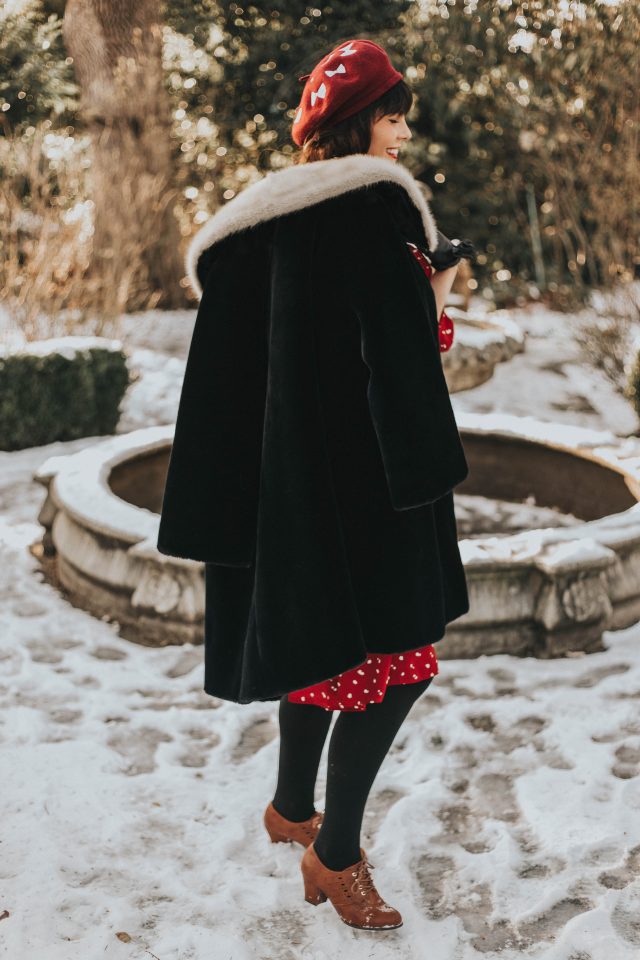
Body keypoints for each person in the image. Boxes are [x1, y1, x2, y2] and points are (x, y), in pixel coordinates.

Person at [157, 37, 476, 932]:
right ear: (358, 122)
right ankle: (334, 856)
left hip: (286, 487)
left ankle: (290, 804)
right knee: (399, 667)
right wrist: (437, 293)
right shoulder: (377, 208)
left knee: (319, 647)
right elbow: (400, 355)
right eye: (392, 113)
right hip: (367, 490)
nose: (404, 132)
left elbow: (266, 362)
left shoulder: (263, 224)